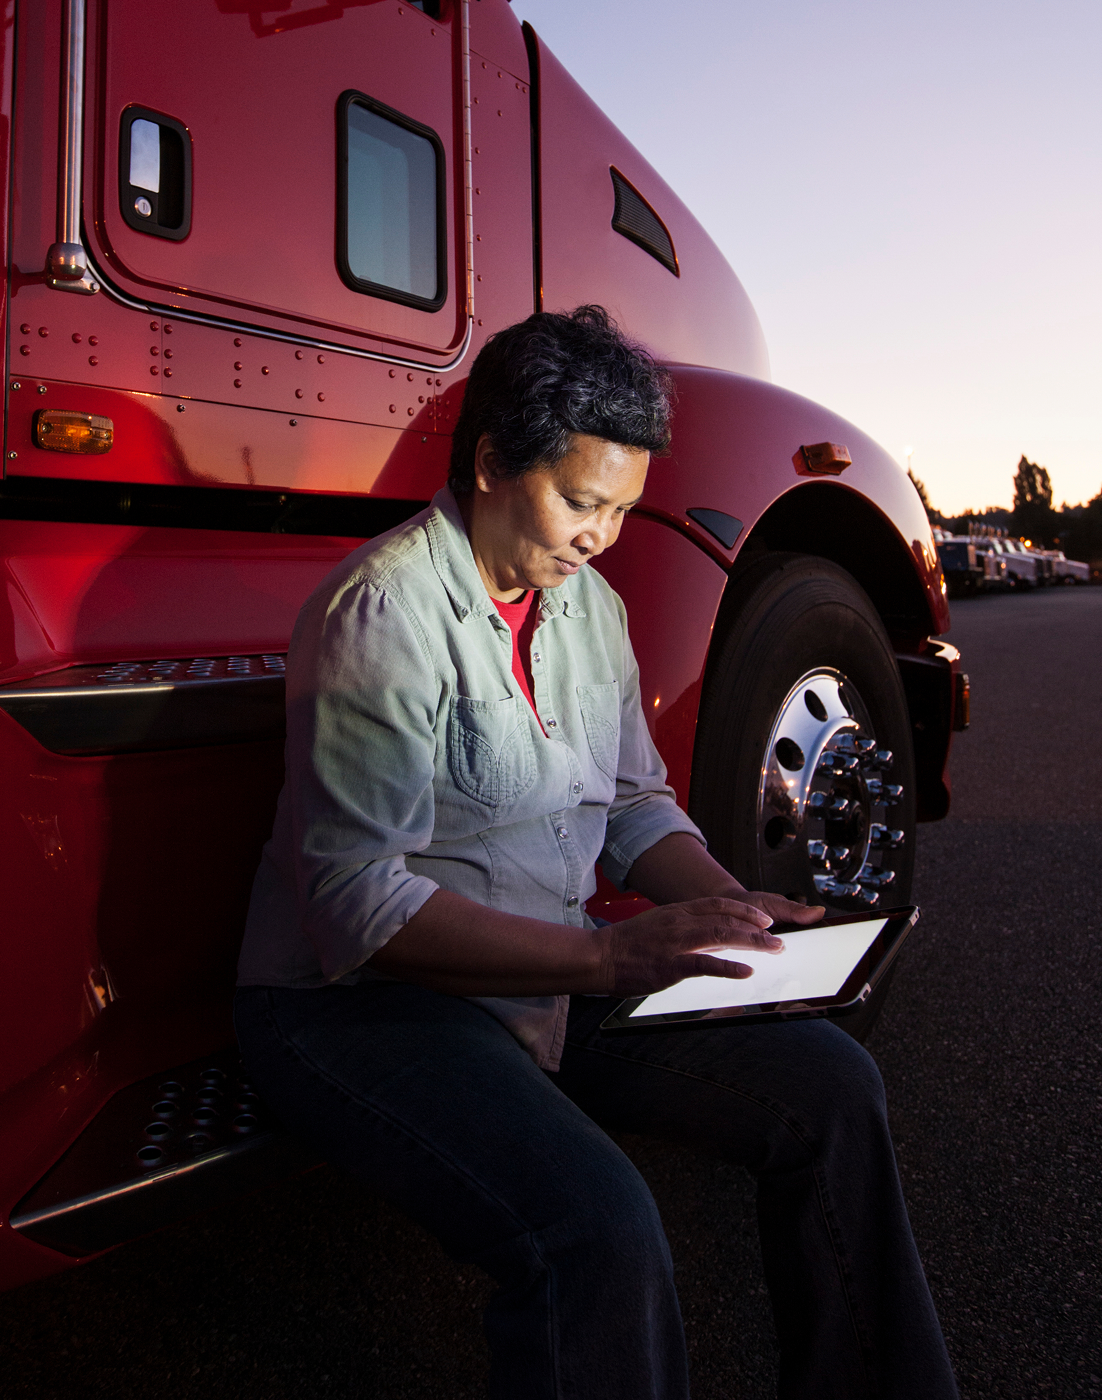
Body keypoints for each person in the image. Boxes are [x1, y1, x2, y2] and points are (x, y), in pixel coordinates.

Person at [235, 306, 958, 1399]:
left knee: (833, 1085)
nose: (601, 536)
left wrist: (733, 911)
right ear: (489, 463)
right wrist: (613, 962)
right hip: (360, 1005)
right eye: (580, 501)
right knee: (600, 1226)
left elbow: (633, 804)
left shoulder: (592, 608)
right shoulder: (379, 610)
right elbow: (355, 905)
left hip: (553, 976)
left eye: (622, 508)